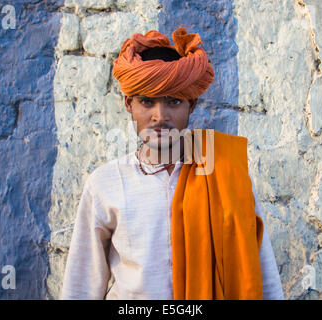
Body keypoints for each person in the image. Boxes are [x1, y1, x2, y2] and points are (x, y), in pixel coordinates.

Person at [61, 27, 284, 300]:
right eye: (146, 102)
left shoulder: (227, 171)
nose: (159, 116)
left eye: (174, 102)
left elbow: (263, 271)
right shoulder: (104, 184)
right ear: (129, 104)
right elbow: (82, 285)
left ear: (192, 105)